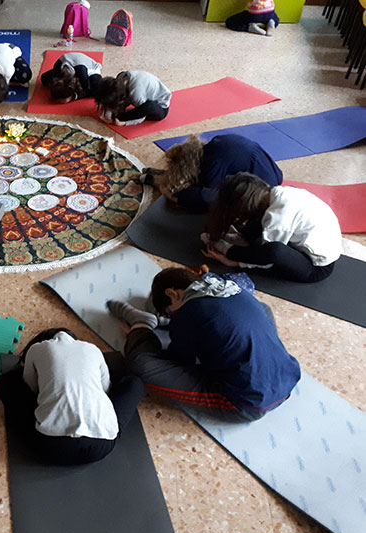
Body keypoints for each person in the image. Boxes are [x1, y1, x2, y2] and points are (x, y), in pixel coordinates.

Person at [107, 267, 301, 421]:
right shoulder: (233, 289)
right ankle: (158, 323)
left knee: (142, 365)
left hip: (248, 404)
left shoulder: (187, 313)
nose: (174, 315)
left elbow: (179, 362)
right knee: (262, 309)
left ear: (172, 294)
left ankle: (143, 324)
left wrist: (147, 334)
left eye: (169, 312)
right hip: (288, 380)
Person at [0, 328, 144, 465]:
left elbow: (32, 389)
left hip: (50, 447)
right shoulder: (93, 349)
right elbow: (106, 388)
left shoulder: (36, 349)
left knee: (6, 381)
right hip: (101, 446)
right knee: (134, 384)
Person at [202, 173, 341, 282]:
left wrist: (235, 261)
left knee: (275, 251)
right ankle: (235, 242)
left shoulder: (278, 219)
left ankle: (228, 249)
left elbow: (268, 260)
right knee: (254, 227)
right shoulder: (278, 194)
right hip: (304, 242)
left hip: (316, 267)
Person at [142, 134, 283, 211]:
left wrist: (171, 195)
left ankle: (164, 183)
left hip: (261, 190)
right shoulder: (214, 143)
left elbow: (210, 197)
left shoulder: (213, 167)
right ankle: (162, 177)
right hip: (272, 172)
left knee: (193, 196)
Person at [95, 70, 171, 126]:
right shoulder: (122, 77)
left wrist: (124, 122)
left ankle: (120, 117)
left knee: (148, 106)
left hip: (161, 107)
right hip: (144, 93)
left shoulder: (136, 94)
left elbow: (142, 115)